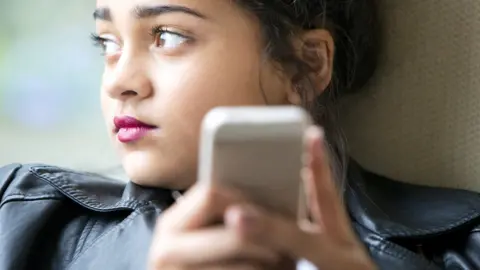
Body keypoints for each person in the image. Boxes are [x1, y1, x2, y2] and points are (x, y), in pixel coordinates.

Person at [1, 0, 480, 269]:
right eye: (107, 43)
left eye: (167, 36)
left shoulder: (466, 247)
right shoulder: (17, 217)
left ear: (305, 67)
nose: (118, 81)